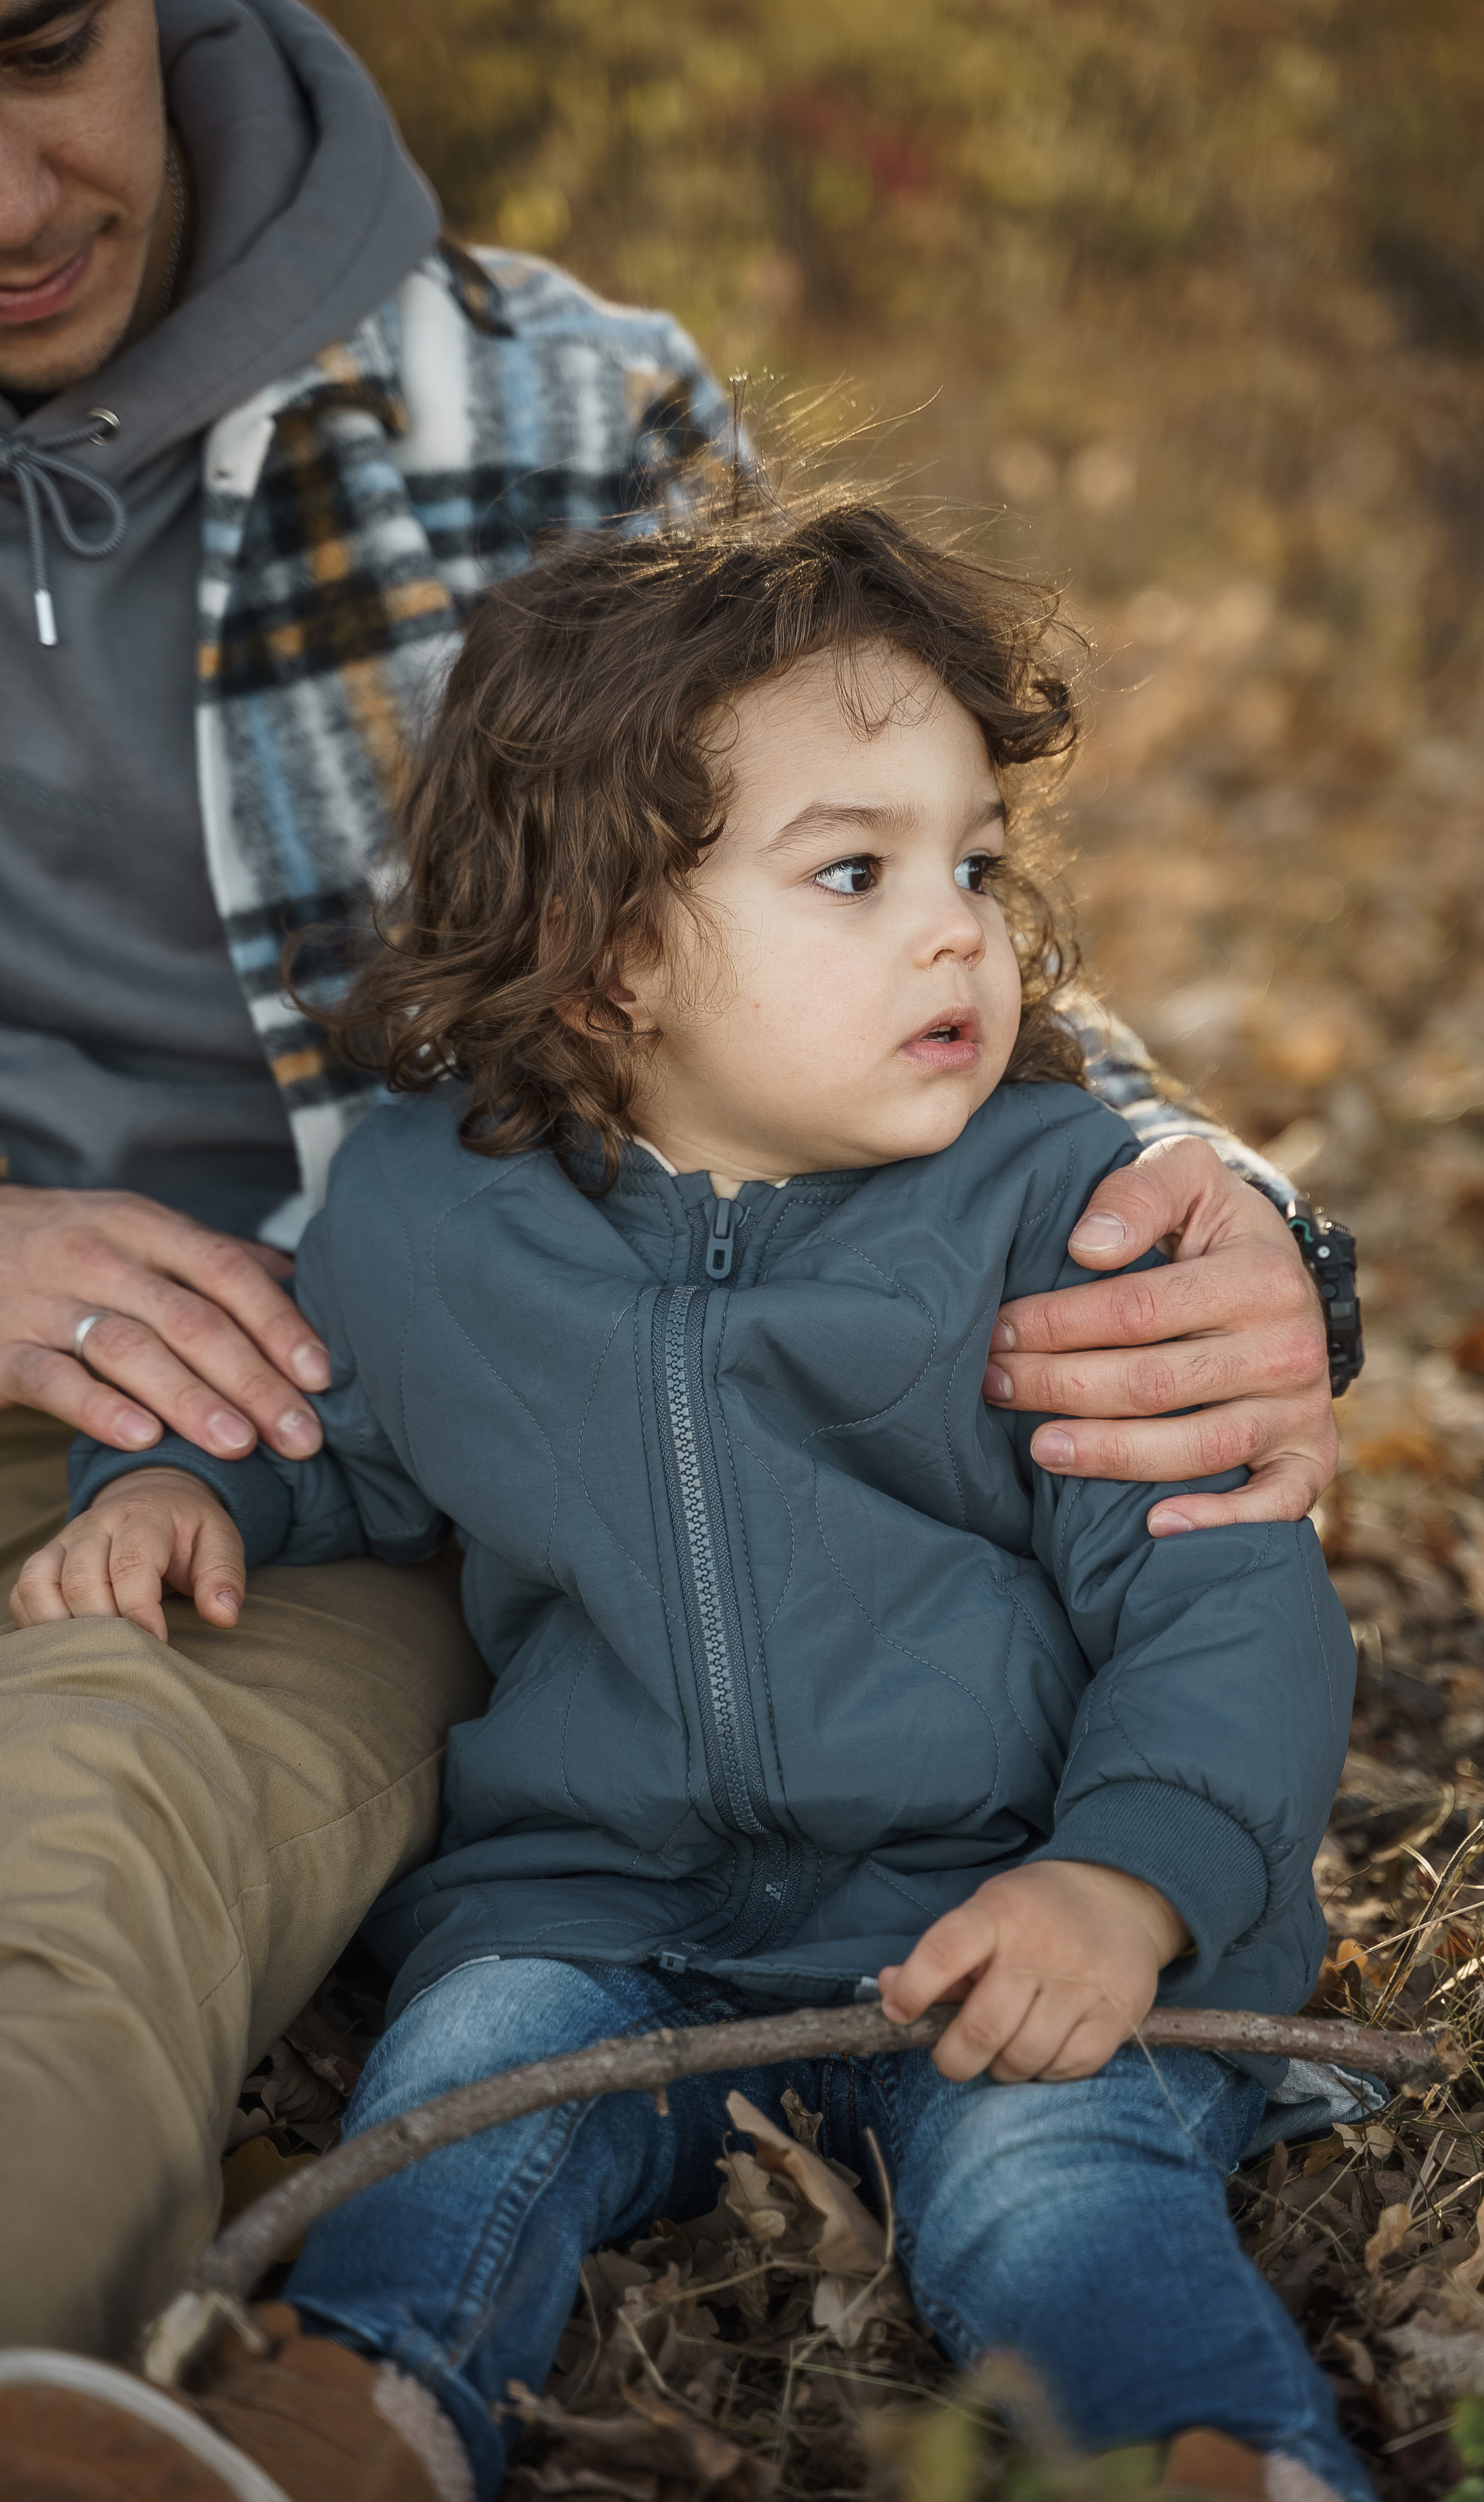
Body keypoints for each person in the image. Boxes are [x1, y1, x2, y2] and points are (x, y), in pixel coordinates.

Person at [0, 0, 1344, 2360]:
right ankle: (364, 2414)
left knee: (1053, 2193)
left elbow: (890, 961)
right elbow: (337, 1417)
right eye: (874, 882)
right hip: (504, 1764)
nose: (8, 200)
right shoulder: (436, 1231)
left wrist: (1216, 1205)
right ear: (602, 963)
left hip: (931, 1856)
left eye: (34, 51)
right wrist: (167, 1478)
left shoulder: (553, 420)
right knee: (461, 2112)